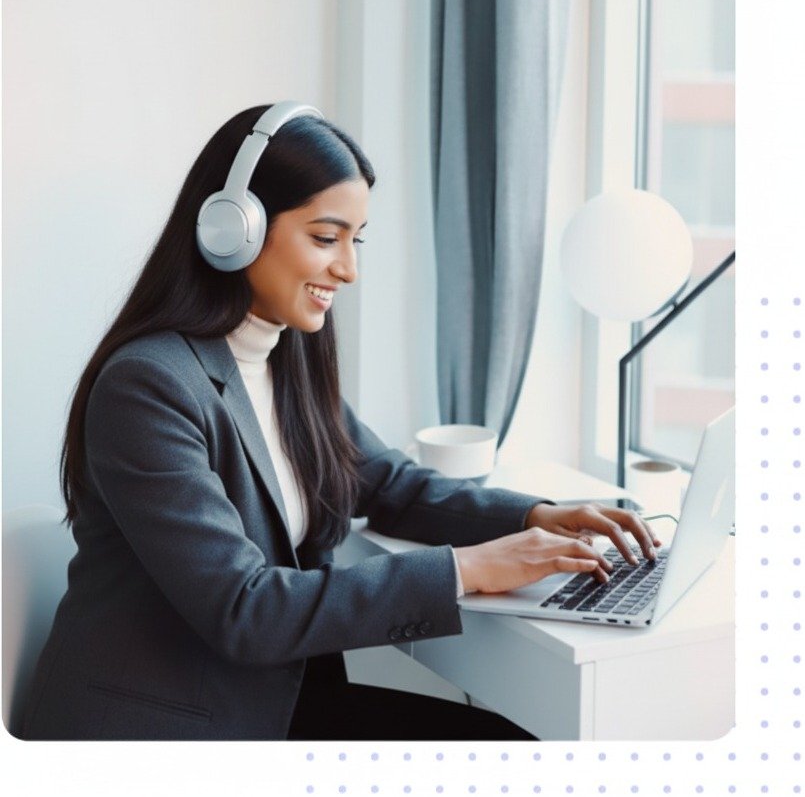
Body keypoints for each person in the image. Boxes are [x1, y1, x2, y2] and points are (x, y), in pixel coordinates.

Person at [23, 103, 660, 741]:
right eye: (327, 238)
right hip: (165, 734)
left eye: (357, 240)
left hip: (268, 705)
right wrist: (465, 569)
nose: (349, 269)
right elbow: (244, 608)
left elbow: (389, 484)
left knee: (511, 743)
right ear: (233, 228)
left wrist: (534, 517)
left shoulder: (286, 357)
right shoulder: (148, 387)